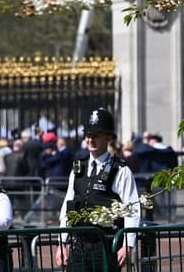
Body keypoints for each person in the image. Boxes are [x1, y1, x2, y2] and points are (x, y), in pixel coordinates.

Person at [55, 108, 140, 272]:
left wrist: (128, 245)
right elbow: (68, 206)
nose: (90, 139)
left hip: (106, 246)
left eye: (96, 135)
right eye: (87, 135)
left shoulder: (120, 170)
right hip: (78, 246)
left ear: (109, 137)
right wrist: (61, 242)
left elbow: (132, 209)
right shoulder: (78, 168)